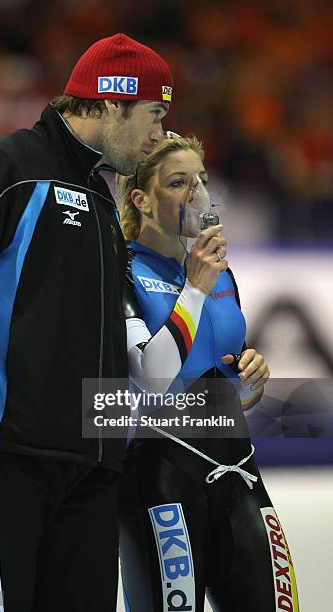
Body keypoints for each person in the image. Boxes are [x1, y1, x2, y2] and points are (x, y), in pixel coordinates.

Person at [0, 33, 173, 612]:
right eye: (154, 114)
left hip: (91, 470)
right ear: (112, 101)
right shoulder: (6, 167)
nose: (159, 135)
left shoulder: (100, 197)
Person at [118, 135, 300, 611]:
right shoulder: (120, 269)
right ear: (142, 198)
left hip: (239, 473)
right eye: (178, 182)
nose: (197, 193)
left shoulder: (221, 273)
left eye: (200, 180)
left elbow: (228, 391)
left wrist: (249, 383)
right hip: (162, 478)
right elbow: (151, 379)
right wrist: (193, 289)